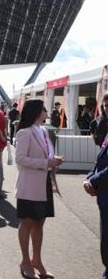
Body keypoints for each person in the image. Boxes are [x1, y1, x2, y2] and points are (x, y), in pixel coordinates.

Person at [15, 98, 64, 279]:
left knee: (39, 224)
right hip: (29, 186)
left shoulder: (43, 131)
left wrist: (53, 160)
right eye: (44, 109)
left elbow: (45, 155)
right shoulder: (25, 132)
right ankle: (25, 261)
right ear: (36, 112)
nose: (47, 112)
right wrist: (46, 163)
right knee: (27, 223)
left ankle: (36, 260)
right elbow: (20, 158)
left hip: (43, 184)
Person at [84, 96, 108, 279]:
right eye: (106, 105)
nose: (107, 108)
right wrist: (89, 177)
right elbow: (101, 159)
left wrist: (93, 181)